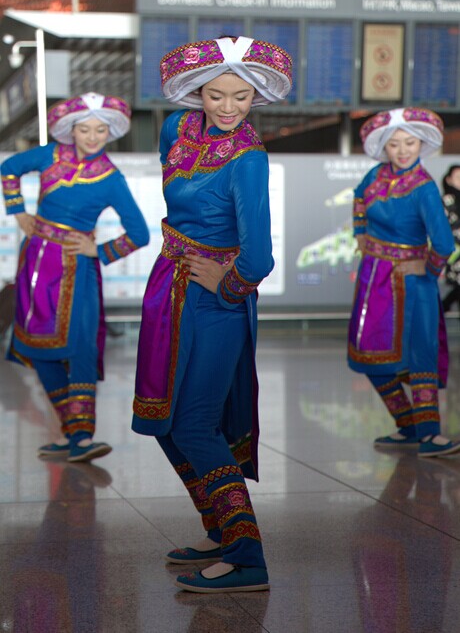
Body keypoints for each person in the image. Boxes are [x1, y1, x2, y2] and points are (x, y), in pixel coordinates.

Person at [131, 36, 292, 593]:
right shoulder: (176, 130)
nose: (227, 108)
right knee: (163, 419)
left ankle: (248, 556)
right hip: (167, 286)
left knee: (195, 421)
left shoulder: (250, 158)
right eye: (216, 95)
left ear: (257, 97)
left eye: (241, 97)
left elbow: (260, 254)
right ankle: (220, 528)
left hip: (214, 301)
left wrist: (229, 285)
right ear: (197, 93)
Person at [1, 92, 149, 462]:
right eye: (85, 129)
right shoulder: (50, 155)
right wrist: (18, 212)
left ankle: (83, 435)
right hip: (35, 262)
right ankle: (71, 434)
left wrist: (97, 251)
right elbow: (9, 168)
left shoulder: (111, 178)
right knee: (37, 347)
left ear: (109, 132)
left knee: (80, 345)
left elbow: (140, 233)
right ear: (72, 129)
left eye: (101, 130)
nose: (93, 137)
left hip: (77, 268)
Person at [348, 107, 460, 458]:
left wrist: (426, 268)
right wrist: (361, 234)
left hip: (411, 284)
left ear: (421, 144)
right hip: (373, 279)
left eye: (409, 143)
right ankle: (408, 424)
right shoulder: (376, 175)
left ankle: (430, 434)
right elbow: (359, 199)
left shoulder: (424, 187)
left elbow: (444, 243)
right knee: (366, 352)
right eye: (394, 144)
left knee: (419, 355)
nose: (402, 150)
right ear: (385, 147)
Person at [441, 164, 460, 315]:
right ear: (448, 180)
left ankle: (441, 308)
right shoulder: (446, 201)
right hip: (455, 251)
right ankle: (441, 308)